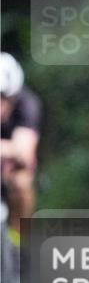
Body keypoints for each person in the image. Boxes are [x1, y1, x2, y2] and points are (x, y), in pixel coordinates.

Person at [0, 53, 42, 248]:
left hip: (11, 165)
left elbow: (23, 151)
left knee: (22, 182)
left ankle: (19, 244)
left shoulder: (28, 104)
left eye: (4, 98)